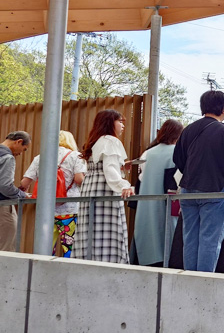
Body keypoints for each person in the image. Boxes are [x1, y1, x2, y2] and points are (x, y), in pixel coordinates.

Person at [173, 91, 224, 272]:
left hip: (187, 190)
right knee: (210, 239)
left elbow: (178, 159)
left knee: (190, 238)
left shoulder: (188, 130)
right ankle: (203, 284)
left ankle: (190, 281)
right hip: (215, 190)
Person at [75, 111, 134, 263]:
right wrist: (124, 185)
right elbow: (109, 170)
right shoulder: (111, 141)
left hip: (90, 188)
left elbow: (101, 166)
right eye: (120, 121)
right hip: (105, 189)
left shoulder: (95, 141)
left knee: (89, 233)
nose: (123, 125)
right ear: (110, 123)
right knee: (109, 234)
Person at [20, 130, 86, 257]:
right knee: (70, 248)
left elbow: (24, 182)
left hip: (46, 211)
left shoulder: (40, 157)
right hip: (69, 210)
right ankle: (70, 273)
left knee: (44, 249)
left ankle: (42, 273)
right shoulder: (76, 156)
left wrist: (25, 193)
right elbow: (79, 179)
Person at [133, 120, 183, 267]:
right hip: (169, 201)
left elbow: (141, 177)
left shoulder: (148, 153)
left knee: (148, 231)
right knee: (168, 234)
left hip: (146, 200)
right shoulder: (177, 152)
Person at [0, 131, 30, 252]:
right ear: (19, 142)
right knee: (6, 248)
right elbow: (5, 186)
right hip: (3, 206)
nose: (20, 154)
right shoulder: (7, 157)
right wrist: (22, 195)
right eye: (24, 149)